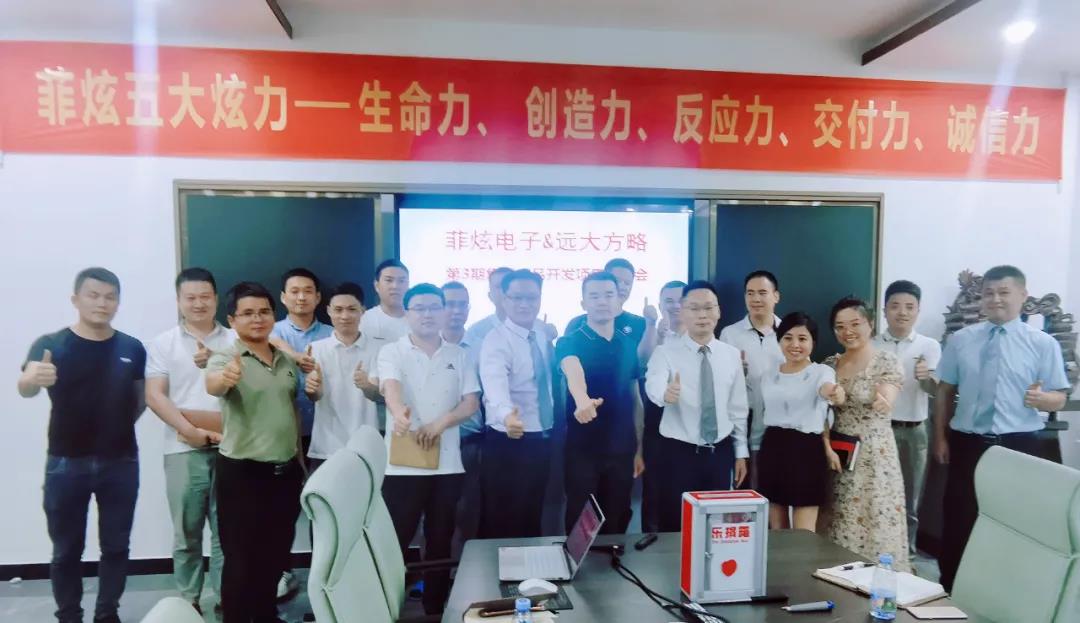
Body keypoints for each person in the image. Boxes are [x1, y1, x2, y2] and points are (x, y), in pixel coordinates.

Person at [18, 267, 146, 623]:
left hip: (121, 461)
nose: (102, 303)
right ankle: (69, 616)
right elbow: (26, 387)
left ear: (118, 302)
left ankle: (107, 614)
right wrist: (32, 378)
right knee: (65, 550)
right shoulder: (51, 344)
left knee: (116, 547)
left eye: (110, 297)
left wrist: (113, 427)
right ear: (76, 299)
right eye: (93, 295)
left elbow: (140, 400)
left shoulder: (132, 347)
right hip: (65, 463)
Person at [934, 265, 1068, 591]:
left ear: (1023, 295)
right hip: (968, 442)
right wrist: (940, 437)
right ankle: (951, 588)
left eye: (1004, 292)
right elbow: (945, 391)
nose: (996, 299)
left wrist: (1044, 399)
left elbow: (1060, 397)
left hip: (1018, 444)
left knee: (1014, 518)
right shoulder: (961, 340)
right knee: (959, 516)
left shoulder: (1043, 343)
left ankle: (1007, 588)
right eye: (989, 293)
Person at [206, 282, 311, 623]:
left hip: (285, 473)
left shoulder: (284, 359)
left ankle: (266, 615)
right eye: (248, 313)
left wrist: (298, 461)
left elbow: (291, 411)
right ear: (232, 320)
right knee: (241, 559)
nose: (257, 319)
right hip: (243, 474)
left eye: (264, 312)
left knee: (275, 554)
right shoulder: (226, 357)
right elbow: (213, 384)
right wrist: (226, 378)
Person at [379, 283, 480, 614]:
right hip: (403, 465)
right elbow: (390, 387)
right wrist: (399, 413)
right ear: (407, 314)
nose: (427, 314)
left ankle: (435, 607)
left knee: (441, 537)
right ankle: (386, 607)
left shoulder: (460, 354)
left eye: (435, 307)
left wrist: (441, 423)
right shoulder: (392, 351)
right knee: (397, 537)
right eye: (419, 308)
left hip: (448, 465)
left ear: (444, 311)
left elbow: (470, 403)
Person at [144, 268, 231, 614]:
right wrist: (190, 431)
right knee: (186, 533)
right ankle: (189, 601)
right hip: (183, 449)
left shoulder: (234, 338)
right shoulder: (163, 343)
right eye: (190, 297)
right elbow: (155, 395)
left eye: (205, 296)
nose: (198, 304)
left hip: (231, 447)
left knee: (228, 532)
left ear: (216, 299)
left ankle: (227, 597)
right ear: (179, 300)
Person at [645, 280, 749, 532]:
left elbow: (737, 408)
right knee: (675, 524)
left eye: (708, 307)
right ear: (682, 311)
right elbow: (653, 383)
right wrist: (665, 394)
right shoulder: (665, 353)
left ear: (719, 311)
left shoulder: (731, 354)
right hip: (678, 454)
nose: (702, 315)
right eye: (694, 308)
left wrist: (740, 452)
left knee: (715, 525)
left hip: (720, 452)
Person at [820, 297, 908, 571]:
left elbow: (888, 393)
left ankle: (879, 580)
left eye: (855, 324)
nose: (847, 331)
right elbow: (819, 411)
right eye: (840, 326)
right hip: (838, 453)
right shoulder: (829, 364)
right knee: (838, 515)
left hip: (874, 455)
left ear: (870, 324)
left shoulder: (886, 361)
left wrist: (884, 399)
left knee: (875, 516)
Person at [557, 272, 645, 534]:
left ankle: (614, 558)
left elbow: (635, 397)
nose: (602, 301)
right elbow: (572, 368)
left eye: (609, 295)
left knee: (617, 516)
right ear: (583, 303)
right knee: (580, 519)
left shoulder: (628, 344)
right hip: (583, 449)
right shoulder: (570, 340)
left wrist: (639, 448)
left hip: (622, 449)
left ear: (619, 300)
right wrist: (582, 399)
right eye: (594, 296)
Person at [267, 267, 331, 600]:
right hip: (282, 434)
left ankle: (326, 574)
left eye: (308, 291)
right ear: (283, 297)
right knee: (282, 509)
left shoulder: (333, 333)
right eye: (294, 291)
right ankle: (282, 571)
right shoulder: (271, 331)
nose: (302, 297)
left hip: (327, 433)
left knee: (326, 507)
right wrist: (295, 356)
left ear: (319, 297)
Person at [478, 269, 555, 538]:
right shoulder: (496, 340)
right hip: (509, 439)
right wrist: (507, 416)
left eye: (531, 298)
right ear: (504, 299)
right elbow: (494, 386)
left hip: (541, 436)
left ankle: (531, 564)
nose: (524, 304)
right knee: (503, 519)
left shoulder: (541, 335)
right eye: (517, 298)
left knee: (532, 513)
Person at [756, 312, 845, 531]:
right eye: (788, 338)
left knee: (803, 531)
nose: (795, 344)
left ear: (813, 342)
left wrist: (834, 393)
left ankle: (804, 558)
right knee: (777, 527)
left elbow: (828, 390)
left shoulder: (821, 372)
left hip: (806, 449)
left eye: (802, 338)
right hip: (773, 446)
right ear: (779, 341)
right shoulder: (768, 375)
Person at [873, 280, 941, 555]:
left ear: (918, 311)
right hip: (880, 429)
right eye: (895, 306)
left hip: (915, 431)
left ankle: (907, 553)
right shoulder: (872, 344)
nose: (902, 312)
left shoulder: (929, 346)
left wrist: (925, 378)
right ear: (884, 310)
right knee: (879, 493)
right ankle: (878, 550)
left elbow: (935, 391)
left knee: (910, 498)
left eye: (909, 307)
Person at [719, 270, 785, 484]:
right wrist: (737, 374)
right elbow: (721, 384)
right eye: (750, 293)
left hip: (780, 423)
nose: (756, 299)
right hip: (742, 423)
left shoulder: (790, 333)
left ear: (776, 296)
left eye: (762, 293)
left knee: (775, 489)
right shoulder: (730, 334)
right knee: (744, 488)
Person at [306, 282, 379, 471]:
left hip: (366, 447)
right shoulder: (316, 349)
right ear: (329, 311)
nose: (345, 316)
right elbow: (314, 396)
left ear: (363, 311)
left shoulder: (378, 349)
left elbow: (378, 396)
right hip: (326, 445)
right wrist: (313, 389)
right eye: (338, 310)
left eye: (352, 309)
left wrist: (366, 386)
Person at [441, 281, 484, 548]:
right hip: (434, 442)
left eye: (462, 305)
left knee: (470, 512)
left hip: (471, 442)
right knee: (436, 514)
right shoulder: (424, 344)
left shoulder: (482, 346)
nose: (456, 310)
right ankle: (435, 570)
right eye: (449, 304)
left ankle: (467, 568)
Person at [641, 279, 686, 533]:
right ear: (660, 305)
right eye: (669, 301)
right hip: (656, 420)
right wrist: (657, 334)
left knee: (683, 488)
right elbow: (642, 363)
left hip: (688, 422)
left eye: (681, 300)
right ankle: (652, 542)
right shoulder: (656, 334)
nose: (675, 306)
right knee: (655, 488)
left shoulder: (700, 336)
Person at [565, 258, 657, 363]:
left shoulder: (641, 323)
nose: (622, 287)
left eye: (627, 283)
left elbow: (644, 362)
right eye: (617, 281)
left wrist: (651, 325)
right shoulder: (577, 323)